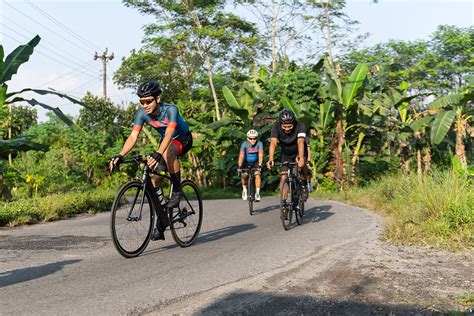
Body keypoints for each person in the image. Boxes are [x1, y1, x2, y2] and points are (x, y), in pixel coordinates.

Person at [109, 80, 193, 240]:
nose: (145, 105)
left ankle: (177, 190)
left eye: (149, 101)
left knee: (168, 152)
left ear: (158, 99)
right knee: (154, 180)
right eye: (142, 102)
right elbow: (133, 136)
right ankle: (162, 222)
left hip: (182, 138)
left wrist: (159, 153)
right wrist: (120, 155)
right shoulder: (141, 114)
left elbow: (169, 133)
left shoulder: (171, 110)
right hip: (166, 143)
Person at [266, 109, 310, 209]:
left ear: (293, 122)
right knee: (283, 177)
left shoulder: (300, 126)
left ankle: (304, 185)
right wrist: (271, 159)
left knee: (302, 166)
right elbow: (273, 143)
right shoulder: (276, 127)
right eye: (284, 126)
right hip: (286, 153)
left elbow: (300, 142)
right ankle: (284, 203)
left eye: (289, 126)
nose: (287, 129)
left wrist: (301, 157)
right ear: (280, 124)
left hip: (299, 150)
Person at [237, 129, 264, 202]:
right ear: (247, 138)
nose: (252, 140)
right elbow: (241, 156)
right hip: (246, 162)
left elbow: (261, 155)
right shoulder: (244, 144)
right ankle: (244, 189)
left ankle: (257, 193)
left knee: (257, 175)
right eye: (250, 138)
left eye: (254, 138)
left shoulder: (259, 143)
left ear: (257, 138)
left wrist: (260, 165)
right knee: (244, 175)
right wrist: (239, 166)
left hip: (256, 162)